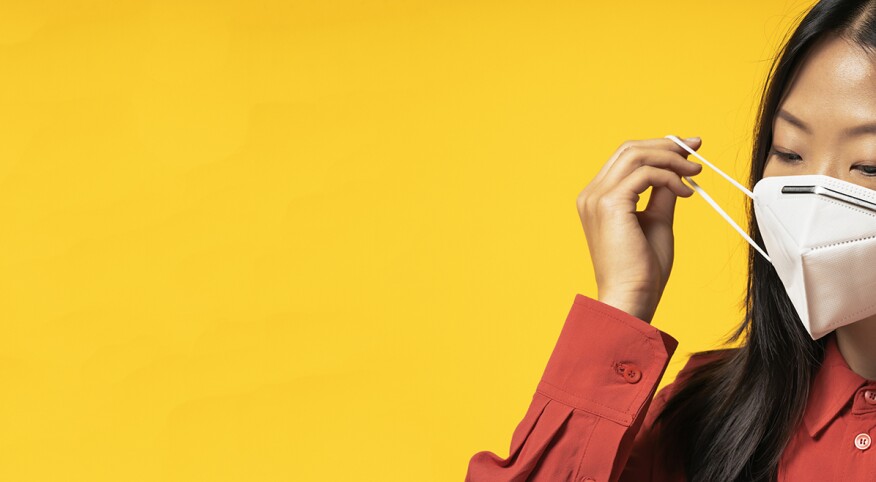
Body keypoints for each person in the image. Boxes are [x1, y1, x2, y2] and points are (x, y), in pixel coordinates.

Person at [465, 1, 876, 480]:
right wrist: (623, 306)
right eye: (788, 152)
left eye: (869, 165)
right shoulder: (704, 420)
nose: (811, 202)